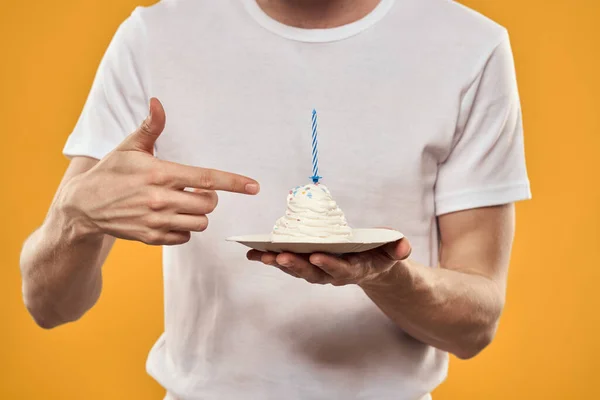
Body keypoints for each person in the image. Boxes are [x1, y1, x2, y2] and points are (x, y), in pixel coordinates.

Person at [19, 0, 531, 399]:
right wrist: (74, 219)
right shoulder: (154, 38)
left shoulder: (468, 47)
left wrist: (386, 275)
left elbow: (475, 326)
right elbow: (49, 306)